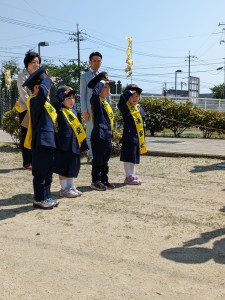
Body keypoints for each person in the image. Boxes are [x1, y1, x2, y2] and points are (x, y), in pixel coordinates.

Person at [22, 66, 59, 209]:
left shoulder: (45, 104)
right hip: (41, 142)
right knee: (40, 173)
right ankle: (39, 199)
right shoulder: (33, 101)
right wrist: (47, 80)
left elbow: (56, 104)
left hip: (49, 142)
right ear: (36, 88)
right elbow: (43, 93)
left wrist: (64, 93)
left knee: (48, 173)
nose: (48, 88)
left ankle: (47, 196)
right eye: (44, 85)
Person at [53, 86, 89, 198]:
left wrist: (84, 145)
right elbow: (56, 104)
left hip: (74, 145)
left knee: (72, 166)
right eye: (68, 98)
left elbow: (80, 130)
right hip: (63, 145)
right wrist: (62, 95)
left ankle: (70, 186)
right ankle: (64, 188)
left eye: (73, 98)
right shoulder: (58, 111)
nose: (72, 100)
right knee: (64, 167)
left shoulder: (75, 113)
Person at [87, 72, 115, 191]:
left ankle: (104, 179)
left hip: (107, 135)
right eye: (105, 86)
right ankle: (96, 181)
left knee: (105, 160)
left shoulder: (105, 102)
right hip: (98, 136)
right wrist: (98, 85)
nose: (107, 89)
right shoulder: (96, 100)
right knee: (98, 160)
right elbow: (94, 95)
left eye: (108, 87)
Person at [16, 50, 41, 170]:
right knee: (26, 134)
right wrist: (33, 105)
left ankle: (36, 159)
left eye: (38, 62)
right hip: (26, 109)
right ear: (27, 63)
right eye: (33, 62)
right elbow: (24, 95)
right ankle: (27, 161)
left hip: (39, 108)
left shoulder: (41, 75)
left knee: (37, 134)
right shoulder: (22, 76)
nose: (36, 64)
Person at [117, 84, 147, 185]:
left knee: (133, 158)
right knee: (128, 157)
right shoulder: (126, 108)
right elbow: (121, 101)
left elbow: (143, 124)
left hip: (137, 137)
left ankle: (132, 174)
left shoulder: (140, 108)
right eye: (132, 96)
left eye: (136, 96)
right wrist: (128, 92)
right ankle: (128, 176)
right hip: (128, 137)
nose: (134, 98)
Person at [80, 51, 102, 164]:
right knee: (90, 133)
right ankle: (91, 155)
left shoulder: (103, 76)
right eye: (94, 61)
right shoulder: (84, 76)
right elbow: (82, 94)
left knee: (100, 132)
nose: (96, 63)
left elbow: (105, 93)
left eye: (99, 61)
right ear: (89, 62)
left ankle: (99, 155)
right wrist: (84, 110)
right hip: (90, 109)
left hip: (101, 109)